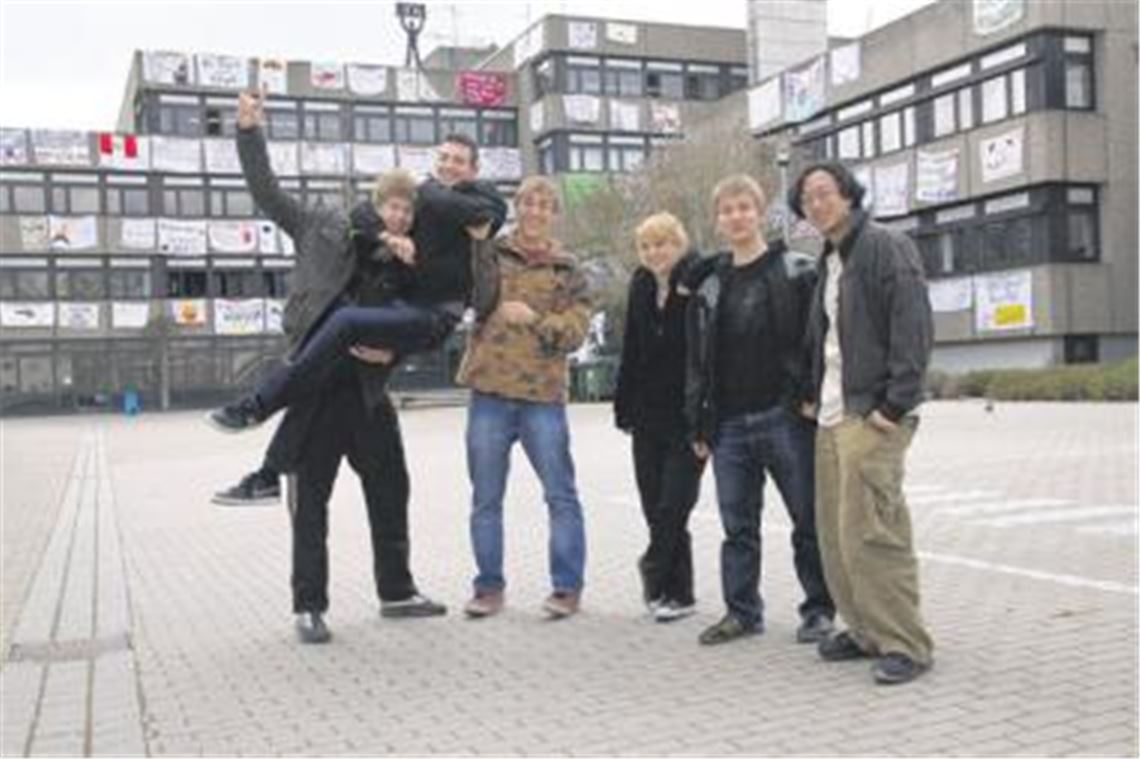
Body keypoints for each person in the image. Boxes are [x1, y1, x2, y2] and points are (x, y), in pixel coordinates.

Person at [214, 87, 494, 641]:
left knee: (391, 487)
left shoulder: (405, 262)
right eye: (393, 207)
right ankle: (308, 606)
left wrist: (396, 351)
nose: (400, 216)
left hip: (367, 393)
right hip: (318, 391)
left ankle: (396, 591)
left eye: (408, 211)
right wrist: (248, 131)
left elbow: (422, 321)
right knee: (310, 501)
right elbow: (266, 191)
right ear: (375, 204)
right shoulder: (319, 225)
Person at [207, 88, 506, 433]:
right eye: (444, 157)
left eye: (458, 161)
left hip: (376, 375)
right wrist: (248, 133)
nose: (449, 165)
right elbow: (352, 214)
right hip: (321, 368)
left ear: (474, 170)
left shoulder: (452, 206)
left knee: (347, 325)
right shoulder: (340, 229)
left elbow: (485, 216)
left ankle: (257, 407)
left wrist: (394, 355)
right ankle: (258, 431)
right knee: (301, 443)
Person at [791, 161, 935, 685]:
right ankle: (866, 630)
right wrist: (811, 394)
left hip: (872, 415)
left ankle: (906, 643)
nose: (816, 203)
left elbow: (912, 325)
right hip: (833, 415)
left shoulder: (884, 246)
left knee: (874, 531)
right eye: (807, 198)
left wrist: (894, 405)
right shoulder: (830, 259)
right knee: (836, 534)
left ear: (849, 195)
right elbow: (826, 339)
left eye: (825, 192)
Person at [686, 174, 835, 647]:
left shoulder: (796, 269)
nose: (736, 217)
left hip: (784, 417)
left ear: (760, 213)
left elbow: (818, 338)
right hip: (729, 425)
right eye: (727, 210)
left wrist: (810, 393)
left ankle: (819, 610)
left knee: (807, 521)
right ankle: (742, 612)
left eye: (744, 207)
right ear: (718, 220)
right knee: (738, 528)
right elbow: (697, 361)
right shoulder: (711, 285)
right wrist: (700, 423)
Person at [457, 176, 592, 620]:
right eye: (528, 203)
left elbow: (575, 331)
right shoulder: (491, 251)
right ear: (517, 207)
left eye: (545, 204)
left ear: (554, 213)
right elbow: (473, 299)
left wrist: (534, 318)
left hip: (542, 396)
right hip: (490, 391)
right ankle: (488, 589)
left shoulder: (568, 268)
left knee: (561, 496)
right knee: (485, 499)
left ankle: (567, 588)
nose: (535, 211)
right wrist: (477, 244)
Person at [613, 213, 707, 622]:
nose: (655, 253)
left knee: (674, 504)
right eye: (647, 246)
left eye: (663, 244)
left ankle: (653, 565)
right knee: (654, 505)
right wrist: (623, 405)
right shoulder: (641, 285)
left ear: (680, 244)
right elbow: (632, 348)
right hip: (647, 414)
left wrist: (706, 413)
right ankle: (676, 593)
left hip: (687, 416)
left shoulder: (697, 279)